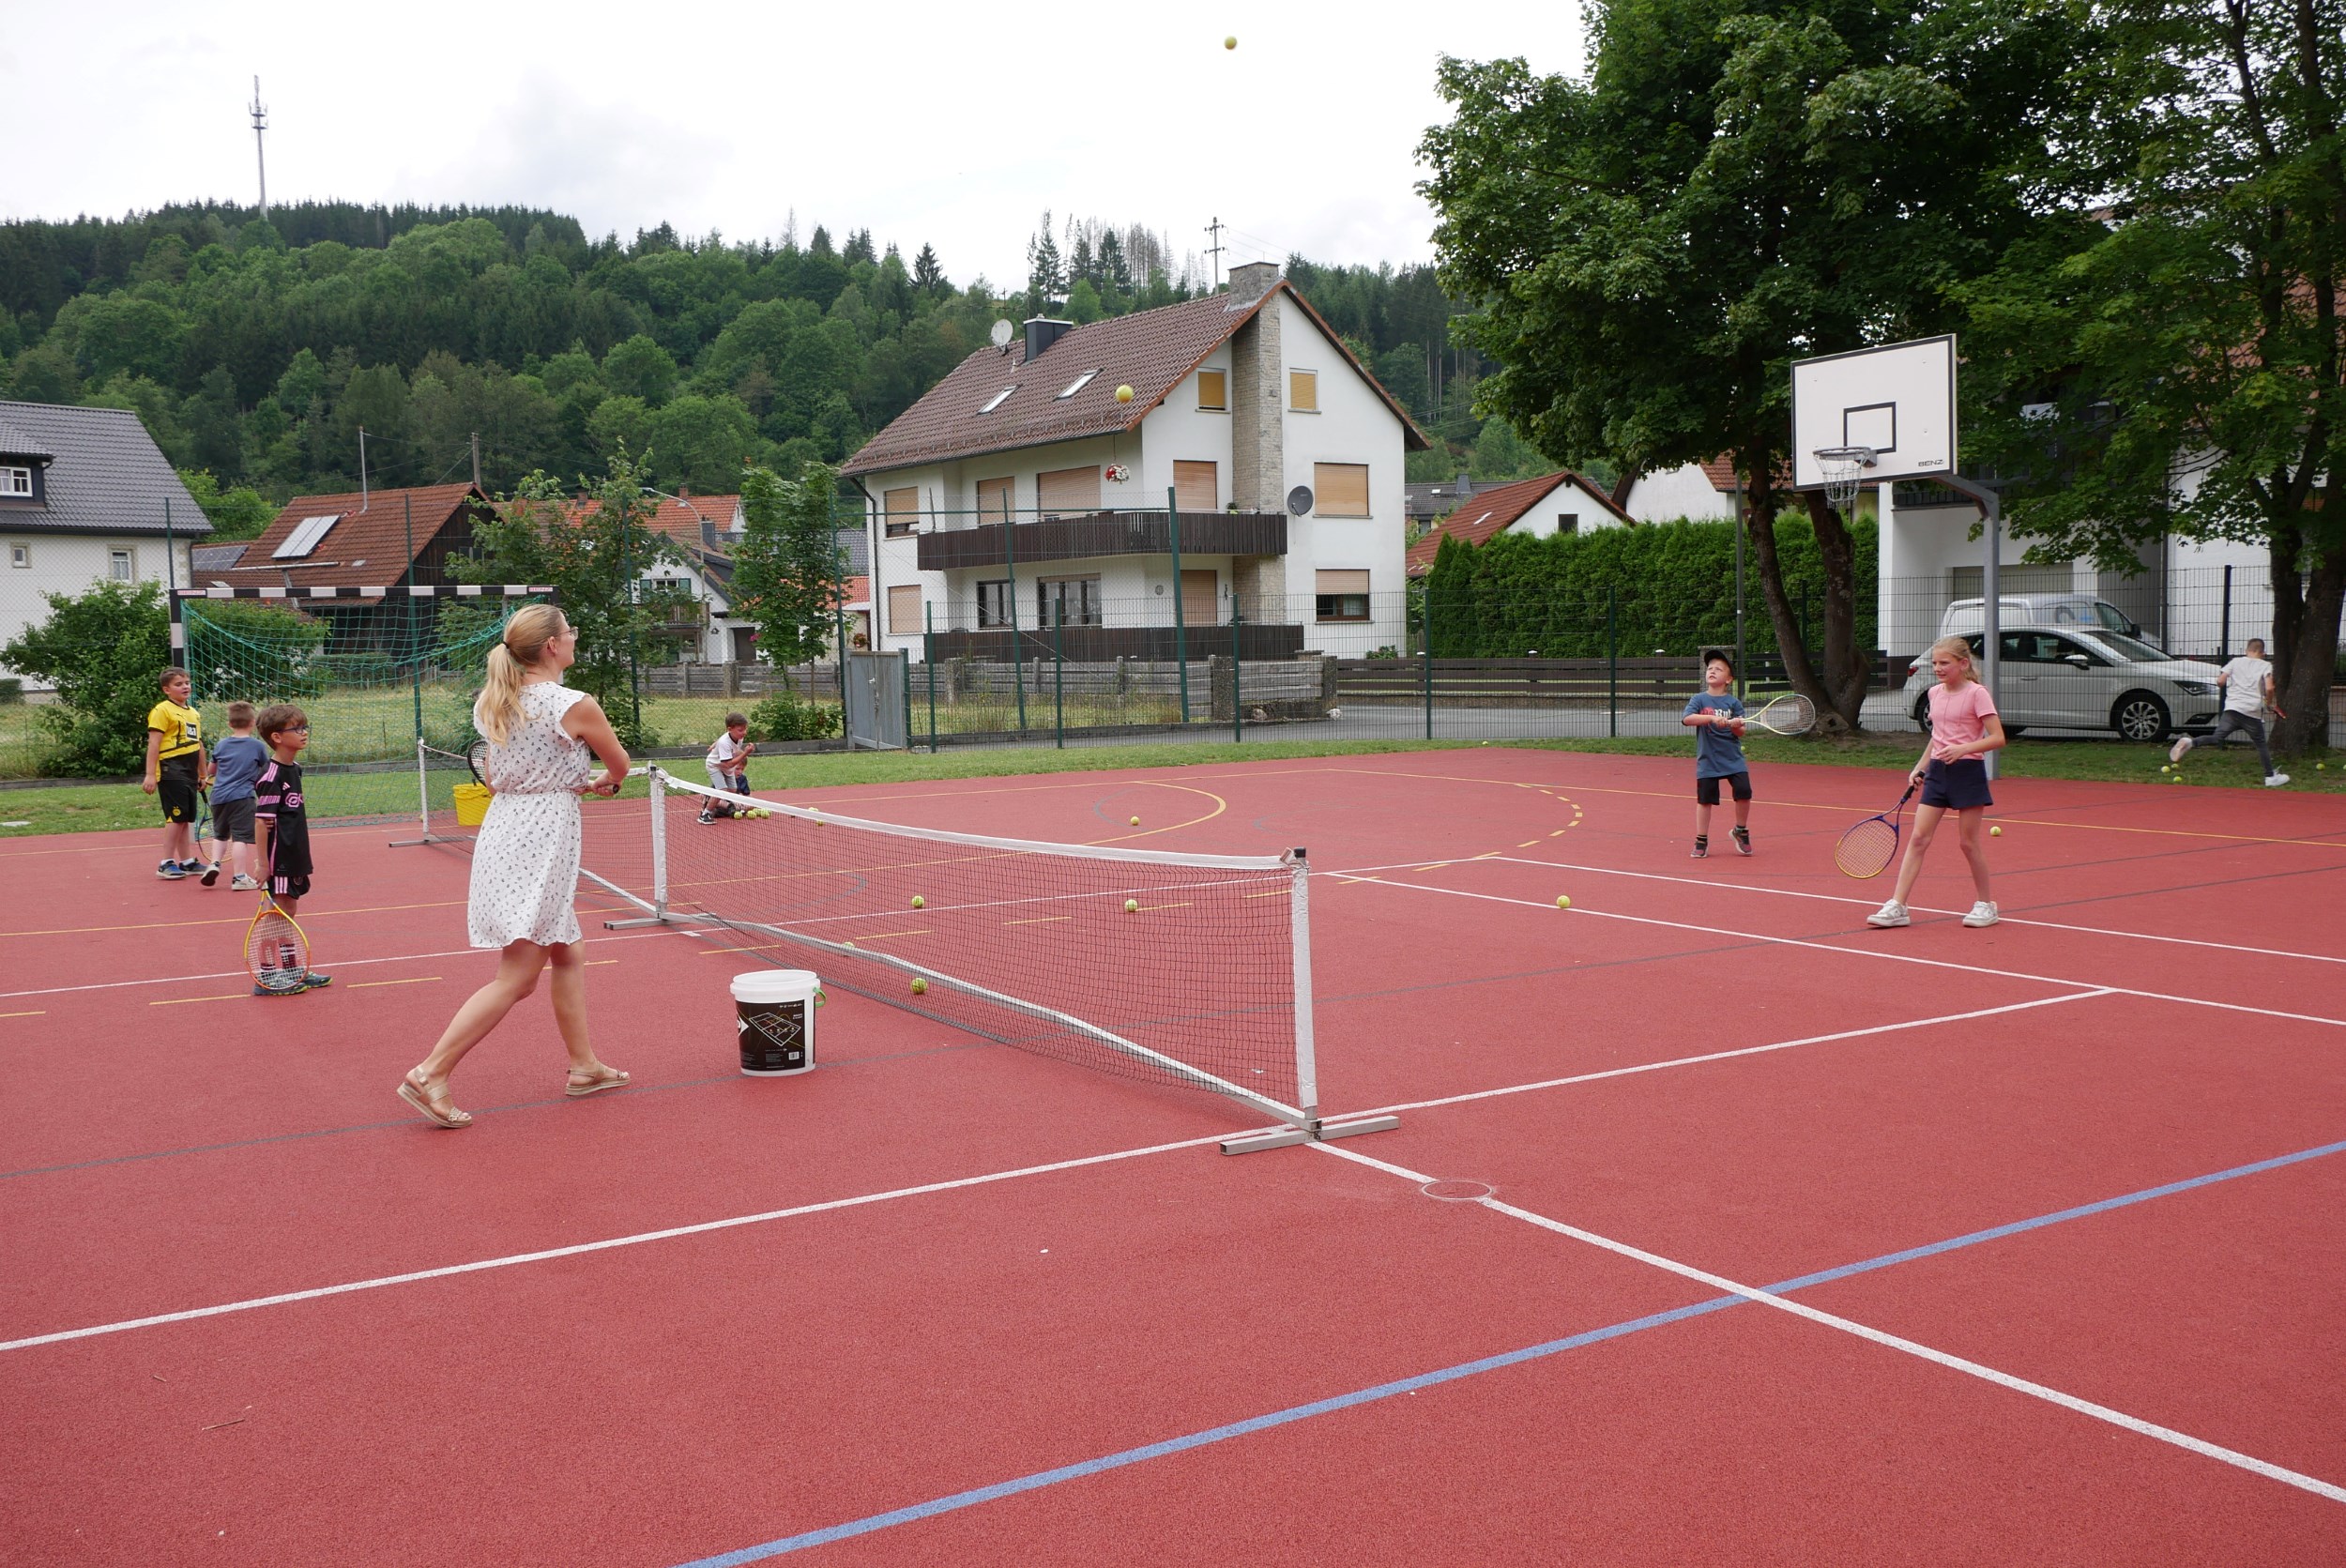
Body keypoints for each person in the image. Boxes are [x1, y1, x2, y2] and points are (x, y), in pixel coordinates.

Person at [399, 605, 632, 1130]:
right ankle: (430, 1072)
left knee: (566, 950)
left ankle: (584, 1066)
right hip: (542, 835)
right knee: (518, 976)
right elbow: (618, 765)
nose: (574, 638)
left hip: (505, 827)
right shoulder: (574, 703)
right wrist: (603, 781)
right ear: (552, 645)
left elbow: (501, 768)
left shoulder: (494, 699)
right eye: (570, 631)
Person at [1869, 634, 2007, 929]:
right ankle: (1898, 905)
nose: (1938, 668)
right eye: (1934, 663)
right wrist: (1920, 767)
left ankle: (1986, 904)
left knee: (1968, 843)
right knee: (1919, 838)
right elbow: (1937, 737)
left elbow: (1998, 737)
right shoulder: (1934, 694)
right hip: (1938, 774)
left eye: (1944, 663)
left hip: (1967, 773)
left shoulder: (1977, 693)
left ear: (1963, 663)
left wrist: (1964, 749)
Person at [251, 704, 331, 993]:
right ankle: (266, 975)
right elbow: (261, 823)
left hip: (295, 851)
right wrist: (263, 864)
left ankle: (291, 968)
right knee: (275, 914)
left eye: (304, 727)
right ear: (276, 737)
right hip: (279, 856)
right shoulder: (272, 775)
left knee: (289, 910)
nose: (303, 733)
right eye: (296, 729)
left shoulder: (294, 769)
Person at [2171, 637, 2289, 786]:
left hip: (2232, 708)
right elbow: (2270, 688)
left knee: (2217, 737)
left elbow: (2220, 681)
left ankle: (2191, 742)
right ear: (2263, 653)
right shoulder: (2265, 665)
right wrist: (2269, 700)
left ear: (2247, 650)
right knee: (2261, 744)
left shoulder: (2235, 662)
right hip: (2251, 711)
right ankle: (2270, 777)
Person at [1679, 650, 1752, 859]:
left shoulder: (1733, 704)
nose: (1712, 671)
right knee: (1705, 800)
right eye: (1710, 668)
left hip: (1733, 759)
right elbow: (1687, 719)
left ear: (1728, 679)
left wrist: (1735, 725)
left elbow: (1741, 732)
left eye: (1718, 669)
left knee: (1744, 792)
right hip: (1708, 760)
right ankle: (1701, 840)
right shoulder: (1699, 700)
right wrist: (1711, 719)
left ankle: (1741, 831)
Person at [142, 667, 211, 880]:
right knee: (176, 816)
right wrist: (150, 774)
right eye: (179, 684)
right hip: (171, 767)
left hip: (189, 769)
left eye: (187, 683)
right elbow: (154, 743)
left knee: (185, 819)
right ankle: (165, 862)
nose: (185, 687)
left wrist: (203, 773)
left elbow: (198, 744)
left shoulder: (193, 713)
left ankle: (187, 861)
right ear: (166, 690)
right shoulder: (162, 711)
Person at [202, 701, 268, 890]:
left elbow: (211, 770)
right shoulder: (257, 746)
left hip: (219, 796)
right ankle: (239, 877)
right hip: (242, 797)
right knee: (240, 837)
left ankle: (214, 863)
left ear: (230, 724)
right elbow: (266, 770)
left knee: (220, 834)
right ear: (253, 723)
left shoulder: (221, 745)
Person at [700, 711, 755, 823]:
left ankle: (717, 803)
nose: (744, 732)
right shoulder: (724, 743)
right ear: (730, 729)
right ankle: (705, 814)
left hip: (726, 766)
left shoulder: (738, 737)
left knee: (732, 790)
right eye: (740, 730)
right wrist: (746, 753)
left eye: (745, 729)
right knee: (722, 790)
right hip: (715, 766)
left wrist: (714, 744)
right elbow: (729, 764)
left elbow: (725, 740)